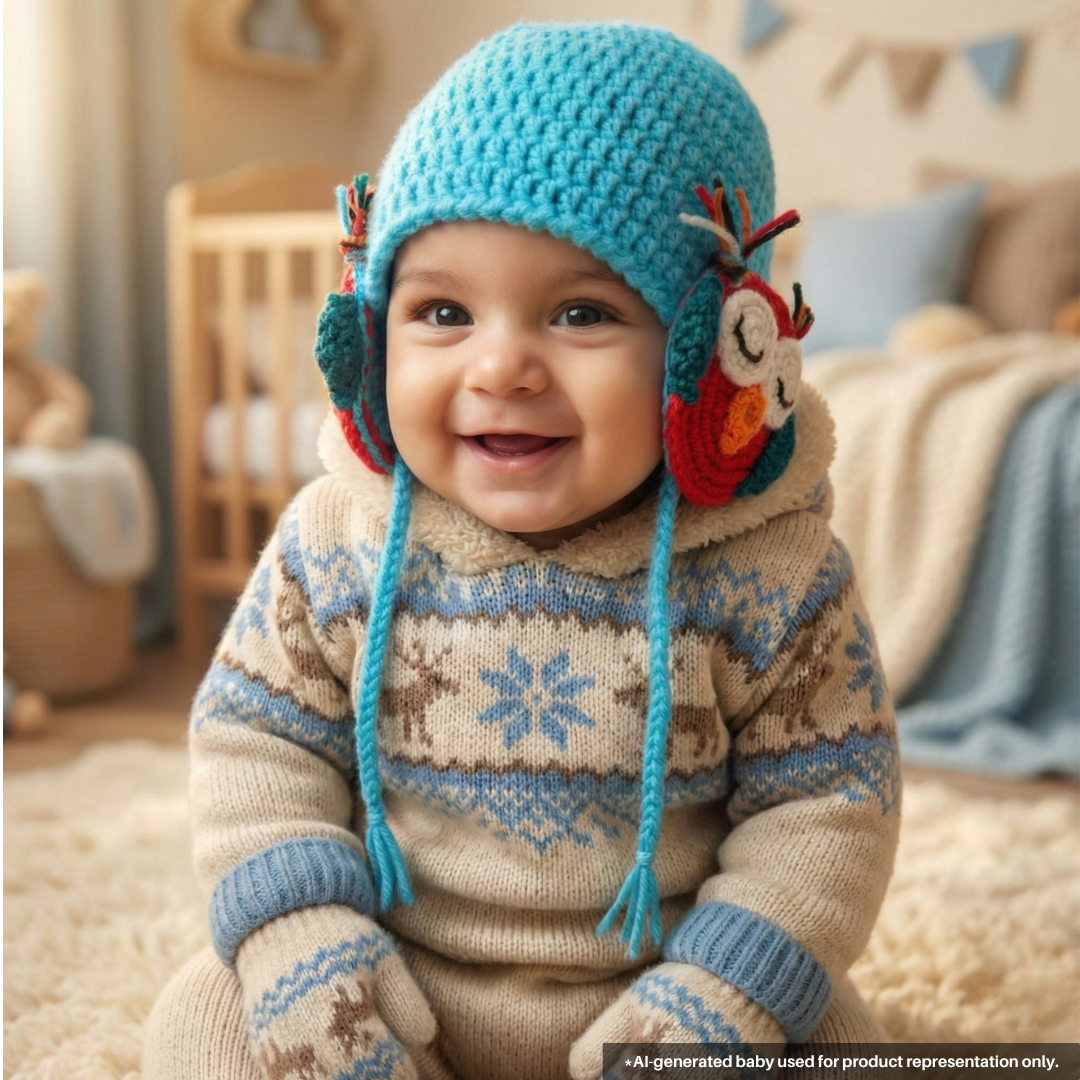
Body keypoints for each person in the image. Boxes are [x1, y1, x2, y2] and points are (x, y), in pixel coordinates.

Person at [144, 22, 900, 1080]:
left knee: (837, 1041)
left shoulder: (774, 577)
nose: (500, 366)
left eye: (581, 312)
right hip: (393, 982)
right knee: (205, 1017)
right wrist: (300, 936)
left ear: (712, 355)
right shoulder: (336, 542)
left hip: (667, 984)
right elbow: (254, 743)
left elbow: (830, 803)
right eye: (442, 311)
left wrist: (724, 995)